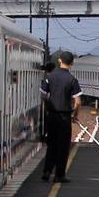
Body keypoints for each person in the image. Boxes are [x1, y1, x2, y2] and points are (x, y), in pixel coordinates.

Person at [40, 51, 81, 182]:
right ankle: (59, 175)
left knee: (52, 144)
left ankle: (47, 171)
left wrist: (48, 105)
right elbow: (78, 102)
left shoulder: (50, 77)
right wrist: (74, 114)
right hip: (65, 117)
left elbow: (43, 95)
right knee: (63, 146)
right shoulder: (72, 80)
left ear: (59, 60)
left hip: (52, 115)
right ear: (72, 63)